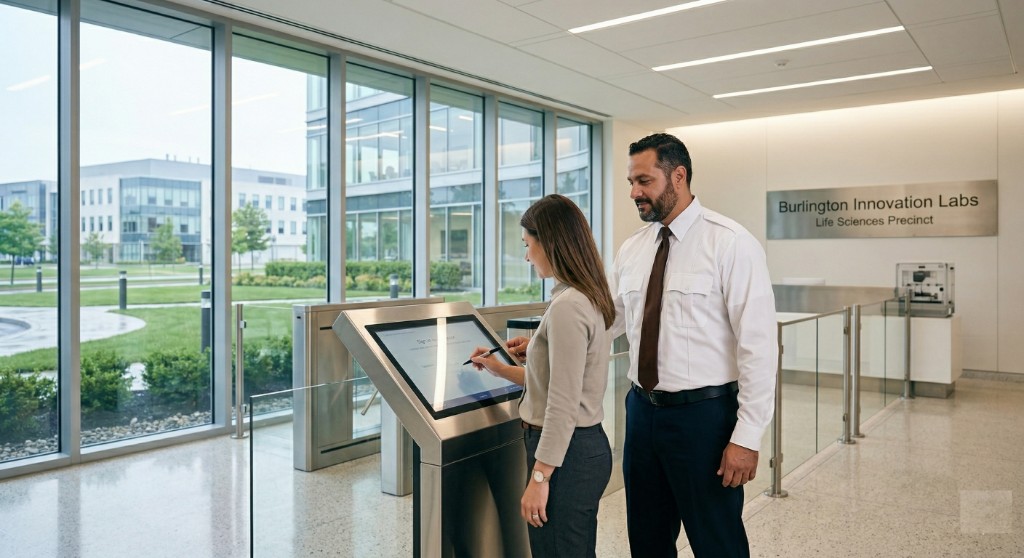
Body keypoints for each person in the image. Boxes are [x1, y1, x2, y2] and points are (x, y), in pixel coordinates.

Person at [615, 133, 777, 557]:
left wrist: (747, 437)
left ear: (679, 176)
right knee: (647, 540)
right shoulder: (632, 250)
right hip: (640, 414)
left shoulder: (731, 244)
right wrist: (544, 342)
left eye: (644, 181)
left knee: (716, 541)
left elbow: (759, 349)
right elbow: (609, 319)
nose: (635, 192)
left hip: (704, 419)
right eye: (631, 181)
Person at [469, 194, 614, 558]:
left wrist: (540, 477)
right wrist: (506, 364)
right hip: (583, 450)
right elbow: (555, 384)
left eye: (528, 245)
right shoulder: (586, 296)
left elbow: (562, 404)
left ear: (548, 242)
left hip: (565, 456)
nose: (526, 255)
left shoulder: (567, 307)